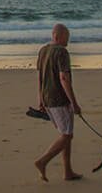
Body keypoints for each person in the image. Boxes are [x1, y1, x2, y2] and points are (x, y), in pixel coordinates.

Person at [34, 22, 83, 182]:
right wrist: (73, 102)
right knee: (67, 136)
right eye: (66, 37)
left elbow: (40, 77)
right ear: (57, 36)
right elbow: (64, 78)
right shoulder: (61, 52)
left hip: (47, 98)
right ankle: (43, 161)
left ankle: (67, 171)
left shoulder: (43, 50)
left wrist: (40, 98)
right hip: (59, 99)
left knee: (65, 133)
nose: (68, 41)